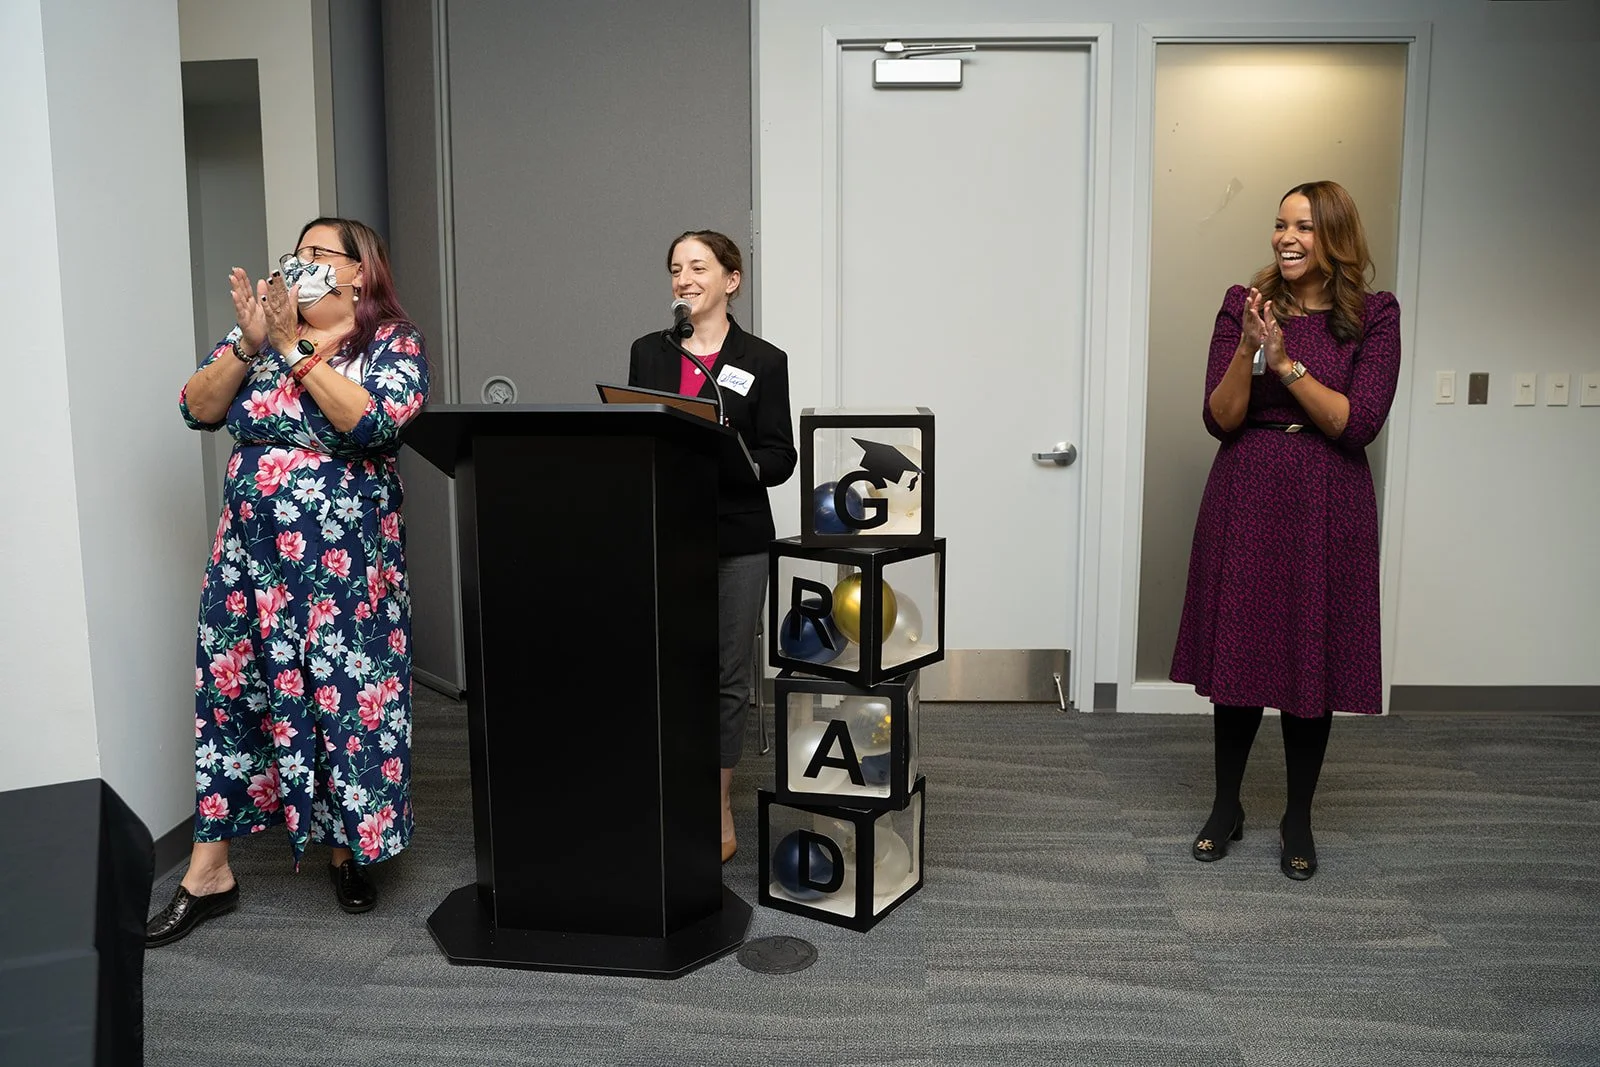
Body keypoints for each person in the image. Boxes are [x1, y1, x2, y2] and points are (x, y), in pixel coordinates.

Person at [147, 218, 430, 946]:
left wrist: (292, 351)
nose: (298, 265)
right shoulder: (256, 338)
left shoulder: (390, 343)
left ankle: (348, 850)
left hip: (346, 572)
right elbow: (196, 407)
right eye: (295, 253)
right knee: (233, 690)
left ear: (359, 272)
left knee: (344, 700)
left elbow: (373, 424)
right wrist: (247, 345)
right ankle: (209, 870)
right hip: (249, 563)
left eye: (316, 254)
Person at [1170, 181, 1401, 881]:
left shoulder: (1375, 317)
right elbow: (1221, 417)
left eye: (1303, 225)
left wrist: (1289, 360)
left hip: (1326, 498)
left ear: (1335, 236)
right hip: (1248, 486)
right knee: (1239, 656)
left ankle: (1297, 815)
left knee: (1311, 660)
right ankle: (1225, 804)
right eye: (1279, 224)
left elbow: (1354, 422)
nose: (1286, 237)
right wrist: (1249, 346)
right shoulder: (1246, 303)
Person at [628, 230, 796, 863]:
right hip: (663, 531)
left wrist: (740, 455)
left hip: (735, 534)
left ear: (732, 279)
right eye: (675, 268)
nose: (683, 278)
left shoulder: (762, 359)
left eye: (698, 267)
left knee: (727, 675)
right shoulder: (649, 352)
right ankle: (667, 787)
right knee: (669, 666)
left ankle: (717, 800)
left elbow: (781, 454)